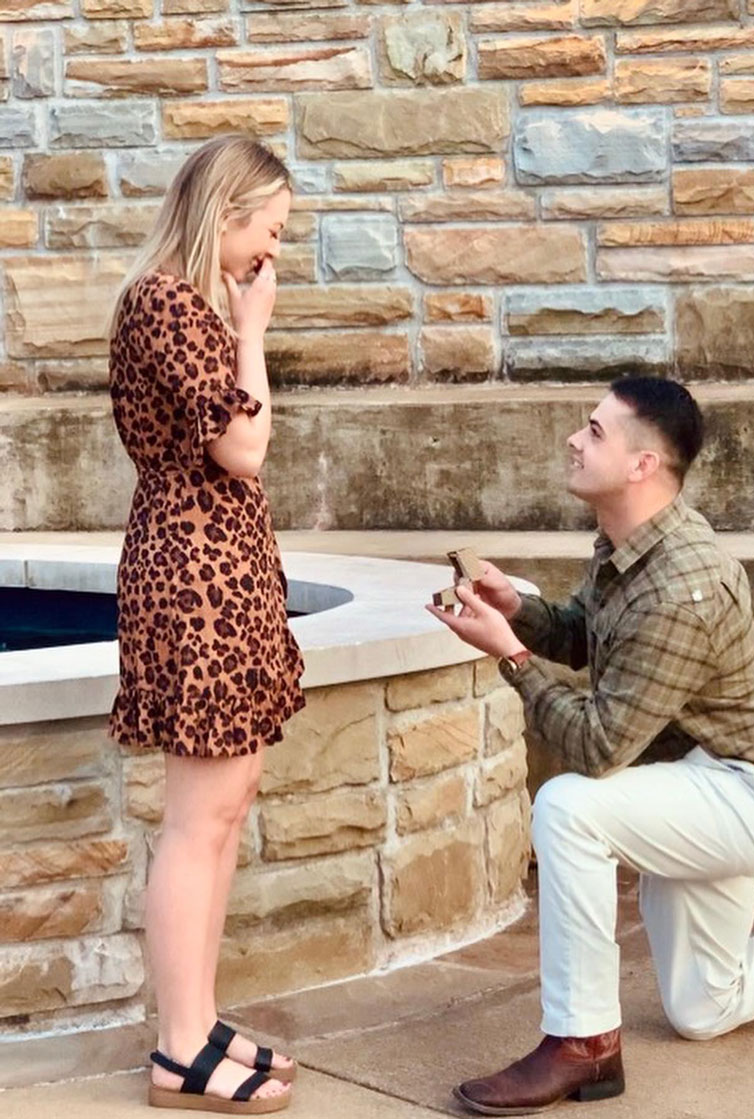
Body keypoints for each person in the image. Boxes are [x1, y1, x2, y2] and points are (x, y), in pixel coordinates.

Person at [428, 376, 754, 1116]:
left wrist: (510, 657)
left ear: (642, 464)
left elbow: (598, 746)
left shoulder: (683, 585)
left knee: (569, 807)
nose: (574, 441)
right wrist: (519, 609)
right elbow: (589, 635)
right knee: (705, 1007)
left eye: (594, 431)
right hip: (693, 780)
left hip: (747, 791)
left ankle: (583, 1042)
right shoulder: (630, 543)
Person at [108, 136, 306, 1114]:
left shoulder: (189, 305)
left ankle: (201, 1018)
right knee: (197, 822)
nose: (273, 251)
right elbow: (243, 445)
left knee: (225, 810)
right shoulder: (166, 303)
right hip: (194, 582)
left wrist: (240, 322)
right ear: (225, 212)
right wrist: (252, 330)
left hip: (223, 576)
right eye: (268, 229)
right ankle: (179, 1048)